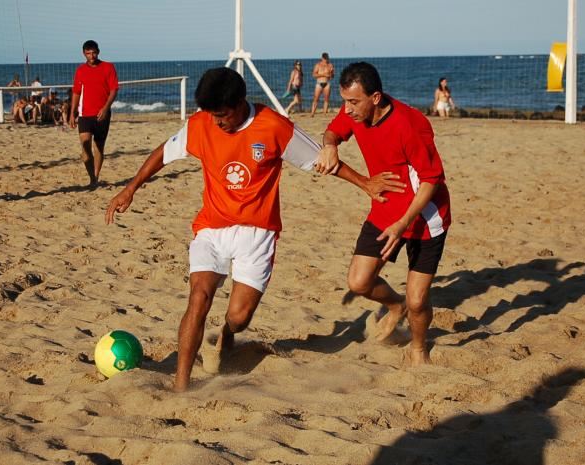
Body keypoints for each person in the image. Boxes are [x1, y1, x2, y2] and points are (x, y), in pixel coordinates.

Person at [105, 67, 402, 392]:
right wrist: (131, 187)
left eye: (223, 115)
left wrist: (364, 183)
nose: (217, 122)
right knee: (199, 297)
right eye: (212, 115)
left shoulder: (273, 126)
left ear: (240, 102)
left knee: (239, 316)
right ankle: (181, 388)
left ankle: (228, 336)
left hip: (257, 234)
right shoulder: (201, 124)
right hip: (212, 227)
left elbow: (320, 160)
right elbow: (164, 152)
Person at [317, 62, 451, 365]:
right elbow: (333, 130)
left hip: (424, 216)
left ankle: (418, 349)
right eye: (344, 101)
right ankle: (395, 306)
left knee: (418, 300)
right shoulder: (354, 111)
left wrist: (403, 223)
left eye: (353, 102)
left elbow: (431, 181)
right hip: (384, 206)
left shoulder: (410, 125)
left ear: (375, 97)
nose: (347, 109)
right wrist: (329, 145)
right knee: (359, 282)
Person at [69, 40, 119, 187]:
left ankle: (95, 178)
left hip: (102, 114)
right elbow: (76, 92)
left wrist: (105, 108)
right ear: (84, 53)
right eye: (88, 53)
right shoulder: (80, 70)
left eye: (94, 52)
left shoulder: (108, 67)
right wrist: (72, 112)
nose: (91, 56)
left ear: (98, 51)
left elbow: (114, 90)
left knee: (99, 148)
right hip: (84, 115)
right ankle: (92, 178)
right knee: (85, 150)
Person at [310, 52, 335, 117]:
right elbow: (314, 75)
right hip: (319, 83)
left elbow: (332, 77)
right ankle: (312, 113)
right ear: (322, 58)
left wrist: (332, 73)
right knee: (316, 99)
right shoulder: (318, 65)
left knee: (326, 99)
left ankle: (324, 114)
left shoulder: (330, 65)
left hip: (327, 83)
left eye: (327, 58)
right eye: (325, 58)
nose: (326, 60)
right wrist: (323, 75)